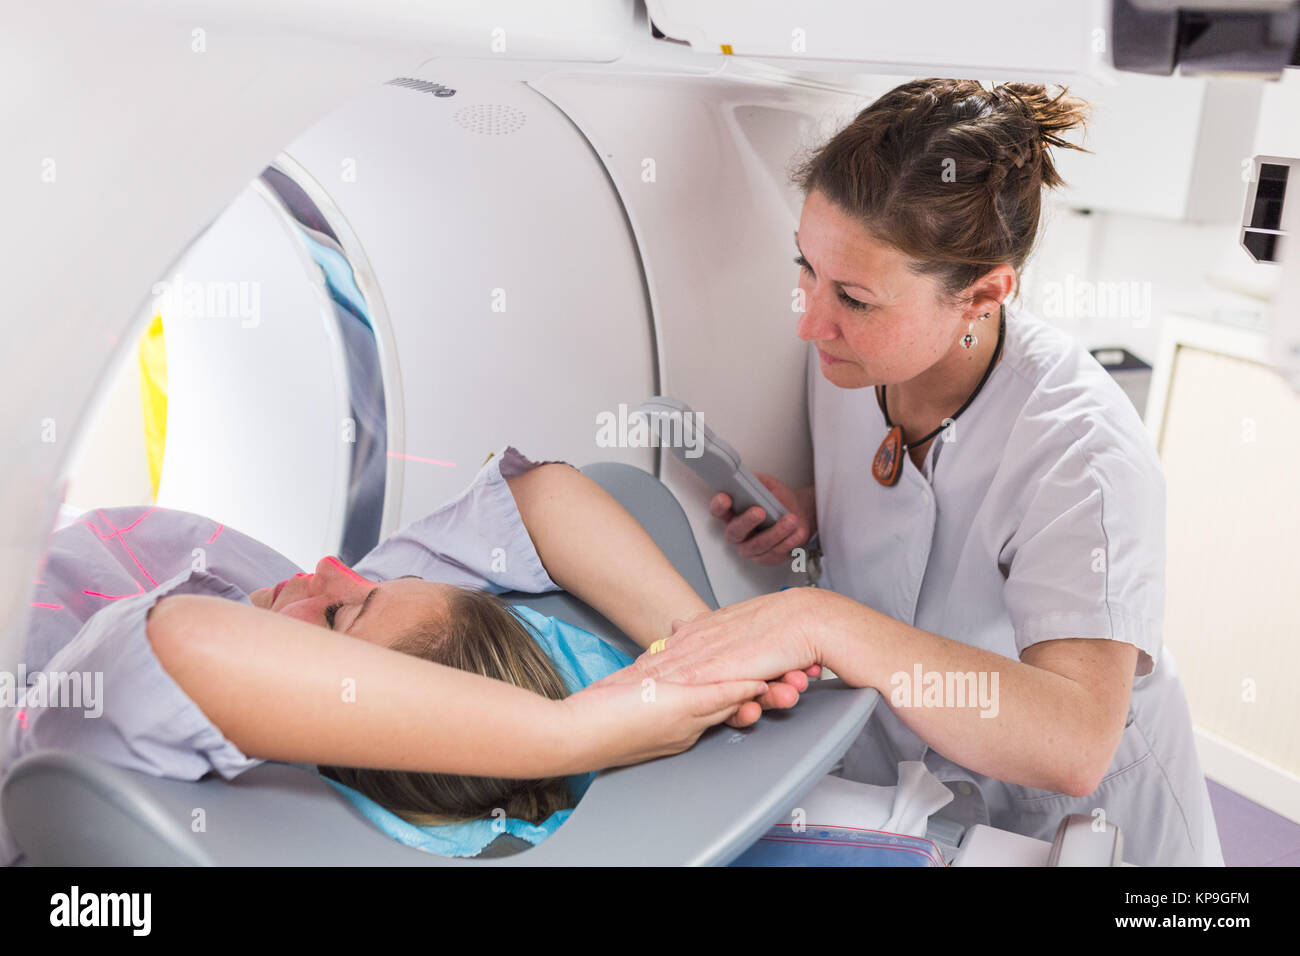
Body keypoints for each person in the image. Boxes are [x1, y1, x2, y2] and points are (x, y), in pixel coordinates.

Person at [634, 79, 1223, 866]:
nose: (811, 319)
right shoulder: (853, 355)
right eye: (806, 268)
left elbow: (1075, 739)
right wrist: (814, 511)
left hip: (1076, 827)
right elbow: (926, 515)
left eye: (853, 296)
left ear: (982, 294)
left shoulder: (1080, 451)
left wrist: (820, 619)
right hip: (923, 794)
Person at [5, 446, 807, 863]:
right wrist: (704, 646)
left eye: (343, 609)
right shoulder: (370, 614)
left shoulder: (121, 719)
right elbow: (541, 498)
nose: (327, 571)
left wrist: (574, 731)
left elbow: (187, 638)